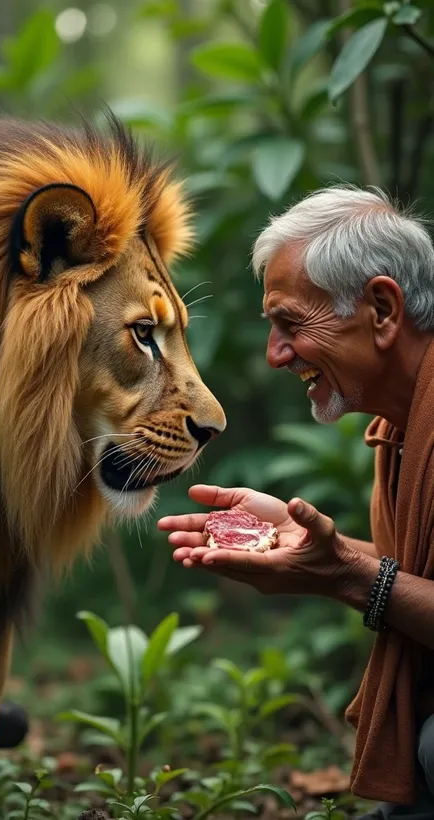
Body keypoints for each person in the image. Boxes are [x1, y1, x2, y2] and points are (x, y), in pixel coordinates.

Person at [158, 186, 434, 819]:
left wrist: (348, 576)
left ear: (383, 311)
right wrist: (321, 553)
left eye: (291, 324)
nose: (276, 354)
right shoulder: (400, 425)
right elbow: (415, 578)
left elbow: (388, 581)